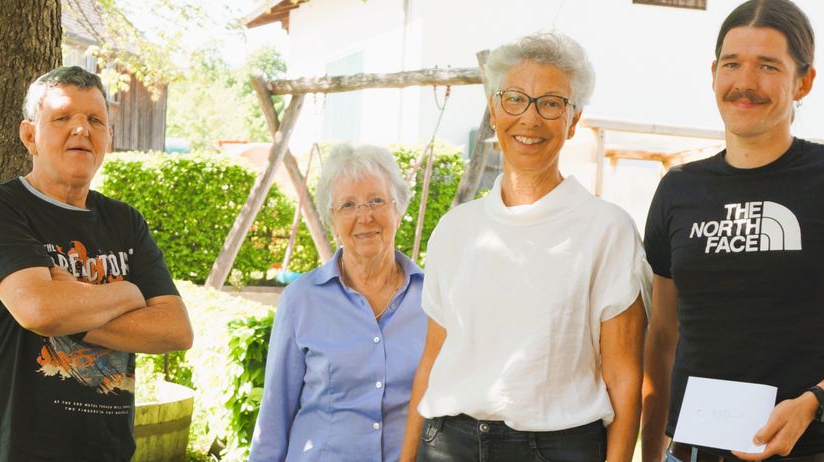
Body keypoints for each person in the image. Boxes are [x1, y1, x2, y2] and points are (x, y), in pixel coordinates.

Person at [641, 1, 824, 461]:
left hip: (804, 451)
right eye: (732, 64)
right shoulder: (678, 189)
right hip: (692, 452)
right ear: (714, 72)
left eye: (768, 66)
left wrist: (817, 400)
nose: (745, 83)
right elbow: (663, 335)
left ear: (804, 81)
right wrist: (651, 452)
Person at [400, 31, 649, 462]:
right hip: (446, 444)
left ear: (574, 120)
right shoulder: (455, 229)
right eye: (515, 98)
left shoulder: (608, 230)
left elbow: (624, 378)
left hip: (557, 447)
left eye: (552, 103)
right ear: (494, 110)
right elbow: (432, 361)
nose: (530, 119)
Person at [0, 66, 193, 461]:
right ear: (30, 136)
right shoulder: (0, 209)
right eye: (62, 118)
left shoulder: (125, 221)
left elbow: (175, 330)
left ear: (109, 138)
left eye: (95, 120)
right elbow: (40, 310)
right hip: (19, 450)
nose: (81, 129)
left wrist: (71, 303)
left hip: (108, 451)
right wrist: (127, 292)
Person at [249, 143, 428, 461]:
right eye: (348, 205)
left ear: (398, 209)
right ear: (332, 220)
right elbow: (274, 416)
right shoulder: (301, 300)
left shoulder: (432, 299)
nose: (365, 216)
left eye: (376, 200)